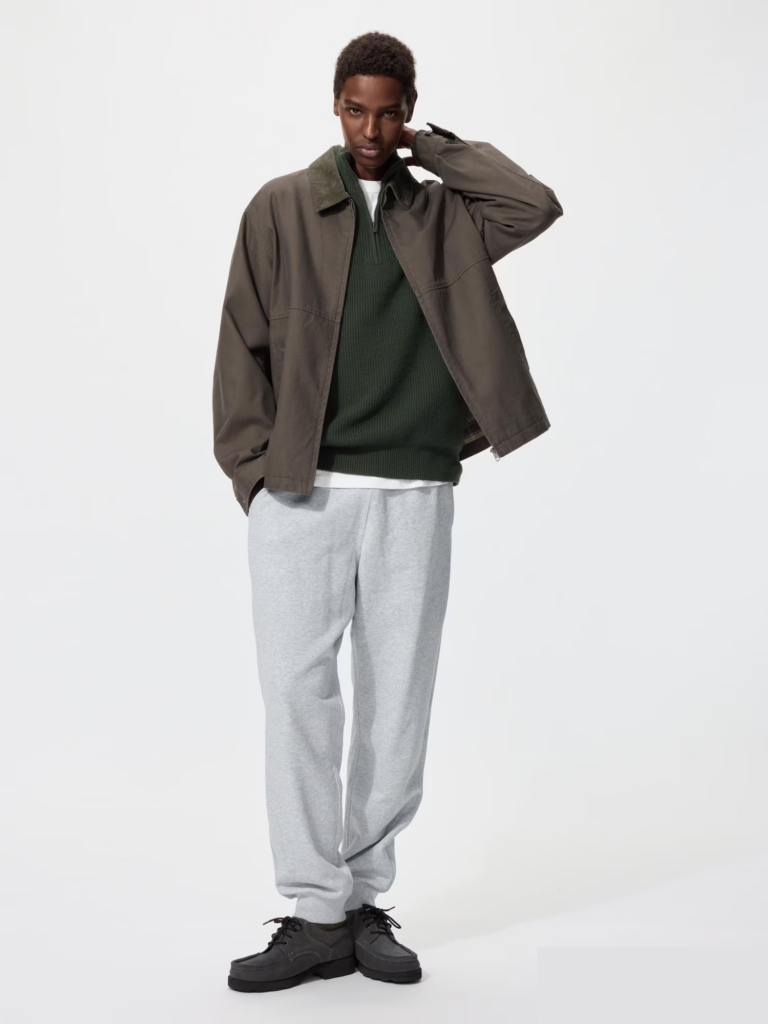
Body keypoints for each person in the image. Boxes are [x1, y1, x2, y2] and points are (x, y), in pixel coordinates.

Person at [212, 30, 563, 993]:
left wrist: (432, 150)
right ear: (334, 105)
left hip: (413, 487)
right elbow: (241, 340)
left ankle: (366, 899)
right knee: (297, 699)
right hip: (300, 490)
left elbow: (533, 205)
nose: (371, 129)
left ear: (407, 110)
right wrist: (252, 472)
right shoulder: (281, 206)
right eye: (357, 110)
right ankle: (313, 909)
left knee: (397, 702)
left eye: (389, 112)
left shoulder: (444, 214)